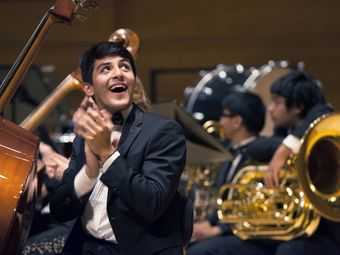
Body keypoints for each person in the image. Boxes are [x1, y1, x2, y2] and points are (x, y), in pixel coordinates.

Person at [50, 41, 190, 255]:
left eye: (125, 67)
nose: (119, 73)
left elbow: (152, 203)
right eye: (106, 68)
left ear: (133, 80)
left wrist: (106, 154)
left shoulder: (164, 131)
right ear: (88, 88)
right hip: (87, 246)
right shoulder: (86, 133)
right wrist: (89, 173)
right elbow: (60, 210)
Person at [217, 70, 339, 255]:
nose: (270, 108)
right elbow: (255, 147)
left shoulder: (321, 119)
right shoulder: (283, 131)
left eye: (277, 102)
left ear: (297, 106)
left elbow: (321, 112)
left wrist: (285, 151)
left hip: (327, 232)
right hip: (295, 231)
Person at [186, 90, 281, 255]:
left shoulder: (261, 154)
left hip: (253, 238)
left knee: (198, 252)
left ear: (237, 121)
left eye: (224, 115)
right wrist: (208, 223)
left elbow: (254, 209)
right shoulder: (232, 152)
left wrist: (218, 231)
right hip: (231, 231)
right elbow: (224, 202)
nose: (220, 120)